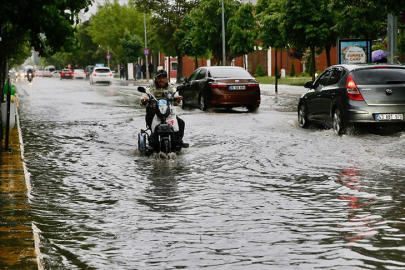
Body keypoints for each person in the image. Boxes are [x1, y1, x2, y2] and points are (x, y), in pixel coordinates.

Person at [140, 69, 188, 148]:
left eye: (163, 77)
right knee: (149, 119)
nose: (161, 80)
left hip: (167, 113)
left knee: (181, 123)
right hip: (153, 112)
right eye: (159, 77)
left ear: (167, 79)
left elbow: (176, 96)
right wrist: (144, 100)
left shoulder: (171, 88)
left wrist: (177, 98)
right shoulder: (149, 89)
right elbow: (144, 97)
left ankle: (178, 141)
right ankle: (153, 138)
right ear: (155, 78)